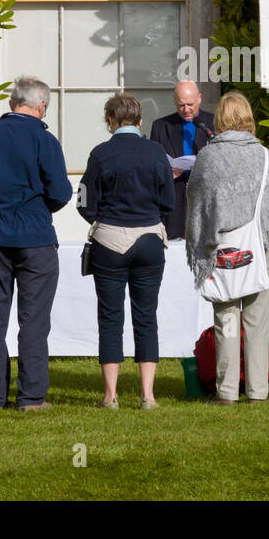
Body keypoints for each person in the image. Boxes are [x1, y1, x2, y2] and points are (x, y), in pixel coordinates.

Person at [0, 76, 72, 412]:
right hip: (36, 238)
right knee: (34, 321)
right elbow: (61, 193)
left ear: (12, 103)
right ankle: (31, 397)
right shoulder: (44, 140)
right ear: (42, 107)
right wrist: (39, 209)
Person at [185, 91, 269, 405]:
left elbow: (196, 201)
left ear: (219, 119)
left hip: (223, 246)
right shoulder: (265, 155)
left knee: (226, 317)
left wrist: (201, 238)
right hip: (262, 244)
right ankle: (258, 391)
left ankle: (227, 391)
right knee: (257, 319)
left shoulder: (208, 157)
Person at [79, 93, 175, 409]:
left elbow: (83, 202)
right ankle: (148, 395)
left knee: (110, 316)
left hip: (109, 240)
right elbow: (169, 203)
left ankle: (111, 395)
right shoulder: (157, 152)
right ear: (140, 120)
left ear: (110, 121)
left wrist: (102, 219)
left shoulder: (100, 154)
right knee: (146, 316)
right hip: (149, 238)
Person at [149, 80, 215, 240]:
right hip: (174, 202)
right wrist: (165, 171)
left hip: (205, 201)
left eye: (190, 104)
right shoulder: (161, 126)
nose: (186, 109)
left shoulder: (214, 123)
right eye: (181, 105)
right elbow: (152, 166)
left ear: (199, 98)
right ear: (174, 101)